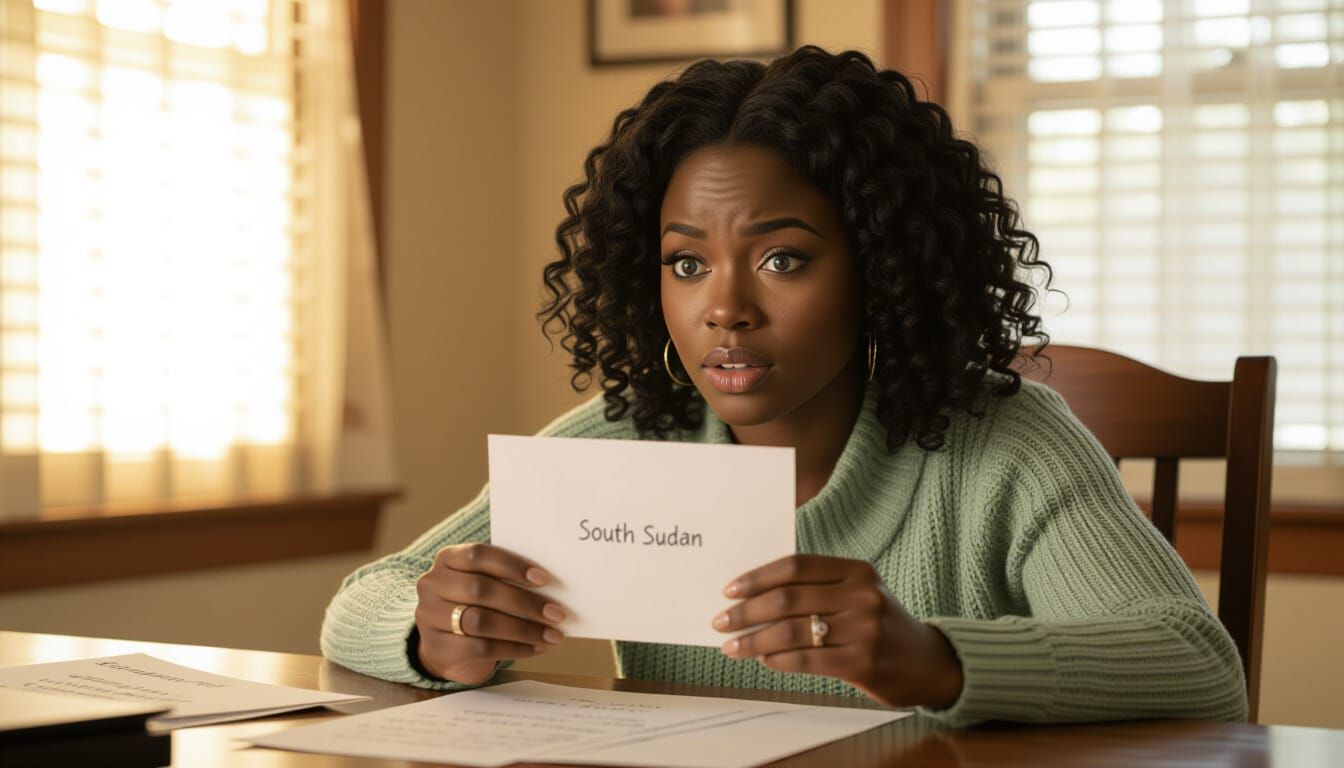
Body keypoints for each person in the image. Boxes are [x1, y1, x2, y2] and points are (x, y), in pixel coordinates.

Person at [321, 46, 1247, 726]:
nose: (724, 309)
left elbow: (1199, 664)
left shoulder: (1004, 442)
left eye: (782, 258)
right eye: (686, 265)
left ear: (881, 266)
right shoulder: (620, 438)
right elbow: (362, 600)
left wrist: (930, 658)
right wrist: (430, 630)